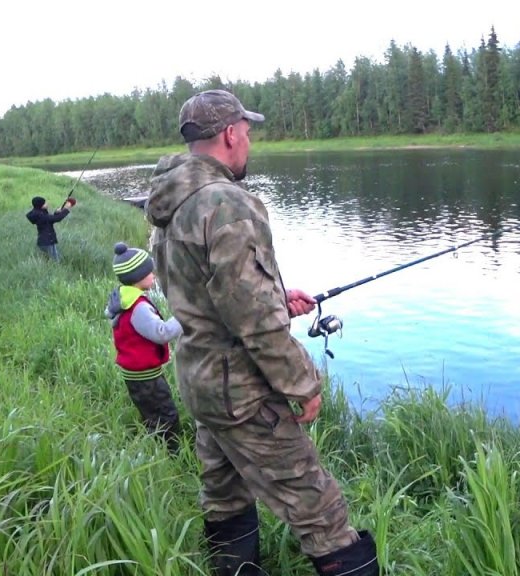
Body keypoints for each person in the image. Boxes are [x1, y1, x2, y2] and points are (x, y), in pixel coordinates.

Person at [144, 89, 378, 576]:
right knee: (320, 509)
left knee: (223, 495)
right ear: (230, 134)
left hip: (201, 382)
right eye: (247, 133)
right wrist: (303, 383)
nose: (248, 142)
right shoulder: (225, 203)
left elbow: (206, 296)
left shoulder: (171, 202)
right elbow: (250, 318)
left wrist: (274, 300)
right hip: (241, 391)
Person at [104, 242, 184, 454]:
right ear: (137, 277)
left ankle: (154, 447)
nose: (154, 276)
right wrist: (185, 316)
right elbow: (162, 333)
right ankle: (173, 454)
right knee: (167, 414)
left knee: (151, 413)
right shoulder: (138, 307)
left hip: (134, 374)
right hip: (146, 376)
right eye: (150, 272)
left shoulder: (122, 298)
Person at [25, 196, 72, 260]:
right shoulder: (41, 215)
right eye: (45, 203)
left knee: (58, 259)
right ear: (41, 205)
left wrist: (56, 212)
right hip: (46, 242)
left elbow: (50, 220)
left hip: (48, 241)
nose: (47, 203)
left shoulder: (40, 213)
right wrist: (66, 209)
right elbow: (57, 219)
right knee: (55, 261)